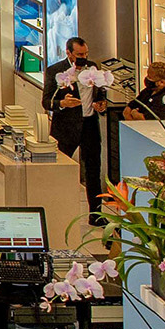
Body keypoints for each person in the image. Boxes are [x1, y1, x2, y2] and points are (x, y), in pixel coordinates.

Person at [43, 35, 106, 218]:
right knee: (60, 170)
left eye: (86, 53)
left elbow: (100, 93)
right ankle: (56, 211)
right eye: (79, 54)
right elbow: (47, 101)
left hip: (90, 125)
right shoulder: (56, 70)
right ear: (68, 53)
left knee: (93, 170)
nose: (83, 57)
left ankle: (96, 214)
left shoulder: (93, 68)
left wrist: (100, 104)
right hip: (65, 128)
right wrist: (63, 103)